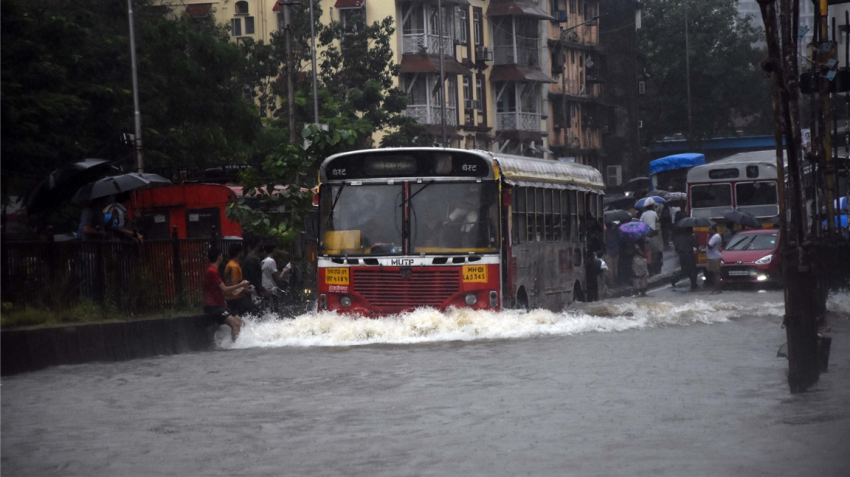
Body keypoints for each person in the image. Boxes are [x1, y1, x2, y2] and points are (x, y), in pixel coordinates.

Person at [204, 247, 250, 341]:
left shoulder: (214, 270)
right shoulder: (212, 271)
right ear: (219, 256)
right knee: (236, 324)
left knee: (241, 322)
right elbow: (225, 289)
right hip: (214, 307)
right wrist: (240, 285)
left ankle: (234, 342)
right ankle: (235, 348)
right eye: (222, 255)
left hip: (221, 305)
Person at [224, 243, 256, 315]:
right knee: (254, 312)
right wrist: (249, 290)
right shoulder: (234, 266)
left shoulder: (232, 264)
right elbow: (236, 287)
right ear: (239, 252)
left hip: (234, 298)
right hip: (236, 299)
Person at [640, 199, 664, 275]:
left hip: (646, 236)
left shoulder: (643, 214)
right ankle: (656, 269)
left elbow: (641, 223)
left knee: (649, 254)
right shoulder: (654, 213)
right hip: (654, 236)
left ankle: (651, 270)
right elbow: (658, 224)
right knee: (657, 252)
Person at [242, 236, 266, 303]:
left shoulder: (250, 257)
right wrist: (262, 289)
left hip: (252, 290)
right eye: (261, 243)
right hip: (253, 291)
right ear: (258, 244)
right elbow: (254, 277)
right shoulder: (252, 259)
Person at [706, 224, 723, 294]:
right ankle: (715, 288)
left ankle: (718, 289)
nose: (709, 232)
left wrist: (707, 239)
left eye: (710, 230)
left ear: (713, 230)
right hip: (711, 257)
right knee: (712, 274)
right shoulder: (715, 236)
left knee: (716, 274)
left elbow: (710, 246)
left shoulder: (715, 237)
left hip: (714, 258)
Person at [603, 222, 620, 287]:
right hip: (616, 251)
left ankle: (611, 283)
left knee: (609, 268)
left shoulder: (605, 233)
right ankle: (615, 281)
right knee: (615, 268)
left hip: (608, 251)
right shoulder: (616, 232)